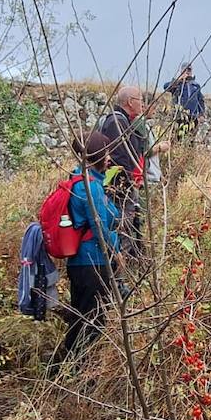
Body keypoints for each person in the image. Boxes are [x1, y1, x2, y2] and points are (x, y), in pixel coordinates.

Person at [49, 132, 121, 370]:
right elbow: (100, 225)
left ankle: (67, 370)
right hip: (94, 263)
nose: (110, 157)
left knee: (81, 316)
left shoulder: (78, 180)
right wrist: (117, 250)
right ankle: (81, 373)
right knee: (92, 320)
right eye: (107, 152)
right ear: (99, 155)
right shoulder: (90, 188)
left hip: (79, 263)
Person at [98, 86, 164, 259]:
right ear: (130, 102)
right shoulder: (117, 123)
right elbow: (120, 160)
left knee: (128, 231)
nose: (142, 104)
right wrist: (127, 187)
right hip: (120, 192)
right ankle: (118, 279)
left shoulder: (123, 121)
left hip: (124, 188)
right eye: (140, 99)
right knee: (122, 233)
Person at [163, 62, 205, 140]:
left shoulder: (196, 85)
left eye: (189, 70)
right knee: (177, 138)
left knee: (190, 139)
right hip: (179, 116)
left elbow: (200, 100)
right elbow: (166, 87)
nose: (187, 72)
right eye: (185, 70)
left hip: (192, 117)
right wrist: (179, 80)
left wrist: (201, 114)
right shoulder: (177, 84)